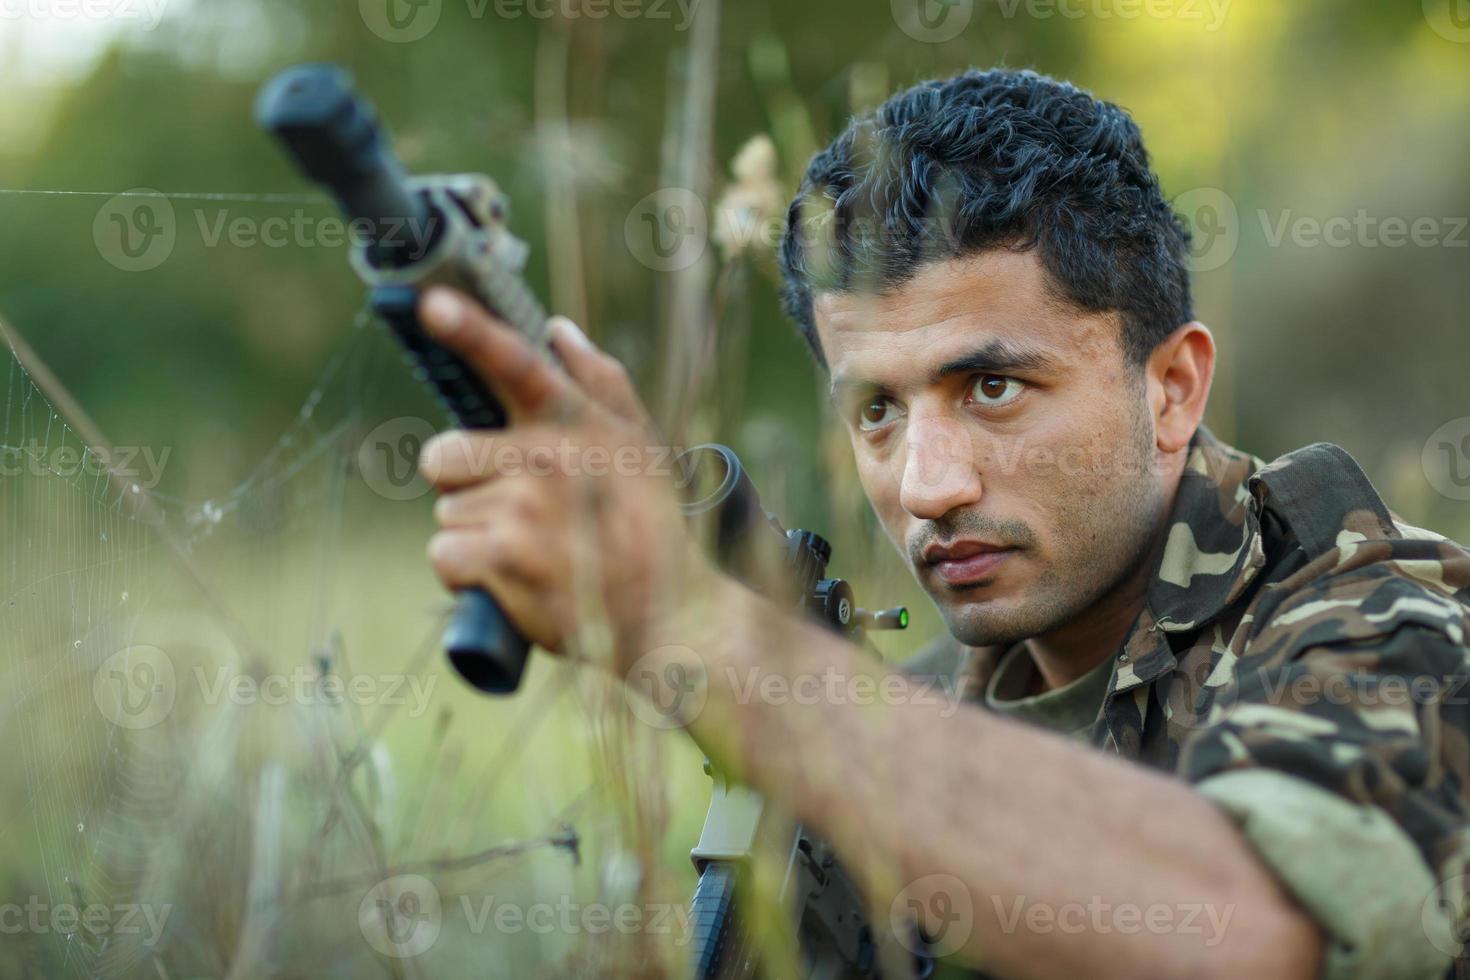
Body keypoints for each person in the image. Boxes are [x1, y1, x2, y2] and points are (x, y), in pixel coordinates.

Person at [414, 68, 1470, 979]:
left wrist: (709, 635)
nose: (927, 485)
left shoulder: (1382, 621)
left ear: (1173, 389)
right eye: (876, 408)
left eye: (995, 386)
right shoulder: (912, 710)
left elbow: (1258, 931)